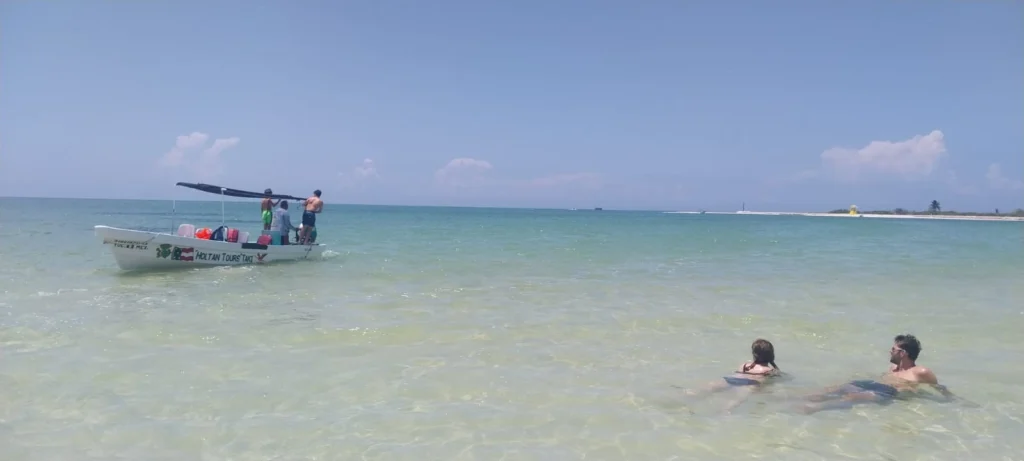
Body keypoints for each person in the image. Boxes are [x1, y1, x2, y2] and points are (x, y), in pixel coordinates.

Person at [799, 334, 963, 414]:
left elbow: (938, 387)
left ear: (903, 353)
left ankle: (814, 409)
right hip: (877, 385)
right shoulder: (893, 367)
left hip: (889, 393)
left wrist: (954, 400)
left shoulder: (920, 371)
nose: (890, 351)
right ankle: (805, 398)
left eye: (894, 349)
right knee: (840, 387)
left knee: (853, 397)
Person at [677, 338, 782, 412]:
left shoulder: (745, 365)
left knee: (710, 389)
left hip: (731, 379)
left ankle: (688, 396)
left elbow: (739, 373)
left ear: (753, 354)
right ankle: (725, 412)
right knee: (736, 400)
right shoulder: (769, 370)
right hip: (750, 383)